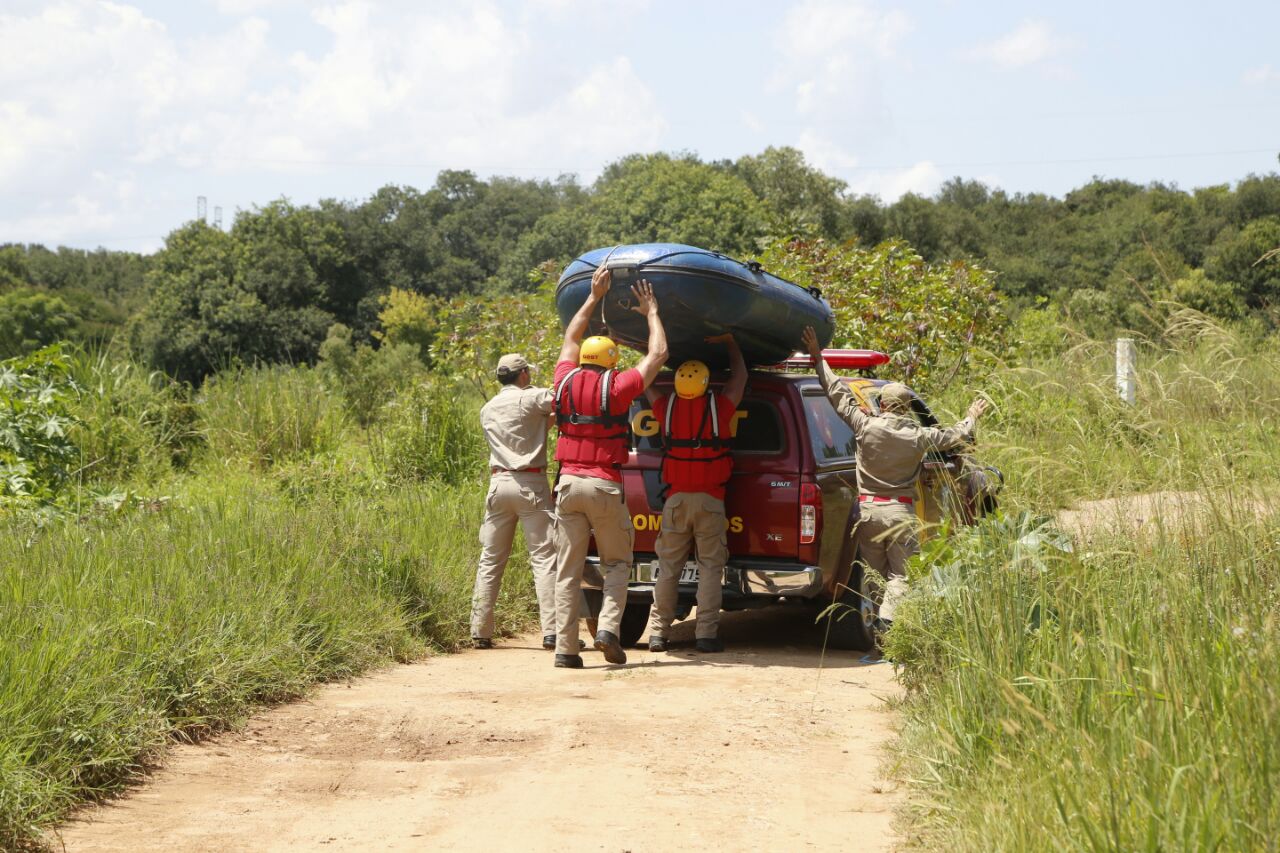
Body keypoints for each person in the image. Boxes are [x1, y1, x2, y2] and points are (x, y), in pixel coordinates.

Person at [801, 326, 989, 632]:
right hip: (900, 514)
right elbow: (958, 434)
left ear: (884, 405)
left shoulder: (864, 426)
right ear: (905, 409)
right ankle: (889, 622)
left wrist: (817, 356)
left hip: (868, 512)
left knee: (874, 575)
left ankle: (876, 626)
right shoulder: (918, 436)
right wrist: (972, 415)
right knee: (901, 575)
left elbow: (835, 392)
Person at [551, 267, 668, 669]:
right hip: (603, 486)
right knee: (618, 563)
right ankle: (607, 630)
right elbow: (658, 356)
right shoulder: (617, 388)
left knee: (568, 570)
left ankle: (566, 651)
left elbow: (570, 335)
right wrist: (651, 311)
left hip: (567, 485)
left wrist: (593, 295)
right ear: (612, 361)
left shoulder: (563, 378)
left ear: (584, 358)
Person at [645, 334, 747, 654]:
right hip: (710, 501)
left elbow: (644, 383)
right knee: (710, 568)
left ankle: (658, 633)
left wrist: (649, 357)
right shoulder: (720, 406)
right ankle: (705, 634)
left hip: (675, 502)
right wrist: (732, 343)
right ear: (705, 385)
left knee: (668, 568)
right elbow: (740, 377)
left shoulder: (665, 408)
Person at [469, 353, 566, 651]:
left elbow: (524, 430)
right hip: (530, 485)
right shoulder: (532, 398)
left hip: (498, 485)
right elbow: (563, 400)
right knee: (544, 559)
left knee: (490, 560)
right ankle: (552, 632)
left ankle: (479, 630)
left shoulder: (488, 408)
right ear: (523, 374)